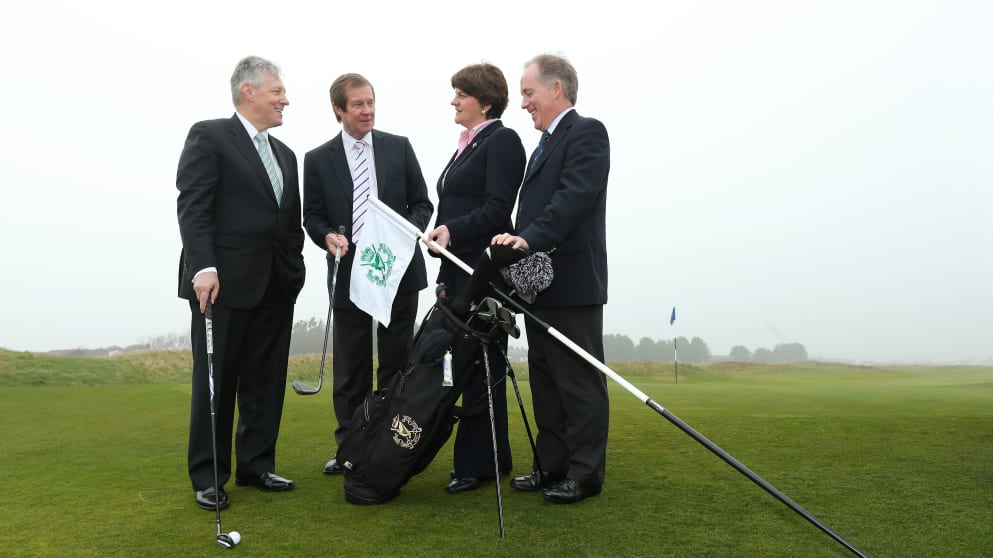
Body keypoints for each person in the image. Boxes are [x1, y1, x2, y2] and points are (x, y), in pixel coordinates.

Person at [176, 55, 304, 511]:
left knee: (265, 381)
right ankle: (209, 475)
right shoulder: (210, 136)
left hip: (276, 285)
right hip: (222, 285)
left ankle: (257, 465)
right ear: (248, 92)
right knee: (217, 381)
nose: (285, 100)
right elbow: (193, 206)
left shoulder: (285, 154)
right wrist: (203, 267)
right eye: (277, 92)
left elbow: (289, 221)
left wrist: (295, 267)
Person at [492, 53, 611, 504]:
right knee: (545, 379)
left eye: (528, 93)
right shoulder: (543, 145)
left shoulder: (587, 132)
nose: (523, 103)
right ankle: (552, 466)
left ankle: (584, 474)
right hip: (539, 284)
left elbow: (572, 199)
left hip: (573, 283)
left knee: (578, 382)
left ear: (556, 88)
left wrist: (527, 240)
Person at [303, 73, 433, 475]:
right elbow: (313, 217)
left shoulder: (399, 147)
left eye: (371, 102)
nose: (367, 110)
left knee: (397, 364)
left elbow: (422, 204)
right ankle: (351, 448)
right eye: (358, 104)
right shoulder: (317, 159)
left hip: (397, 271)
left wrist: (401, 235)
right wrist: (326, 236)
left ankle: (390, 447)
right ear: (338, 109)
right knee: (351, 369)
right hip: (348, 273)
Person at [424, 63, 525, 493]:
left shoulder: (503, 140)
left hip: (483, 273)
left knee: (481, 366)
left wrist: (452, 230)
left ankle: (477, 464)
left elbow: (498, 209)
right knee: (467, 365)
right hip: (456, 269)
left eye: (461, 94)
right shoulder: (465, 145)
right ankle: (492, 458)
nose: (454, 101)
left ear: (485, 101)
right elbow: (453, 207)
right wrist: (440, 248)